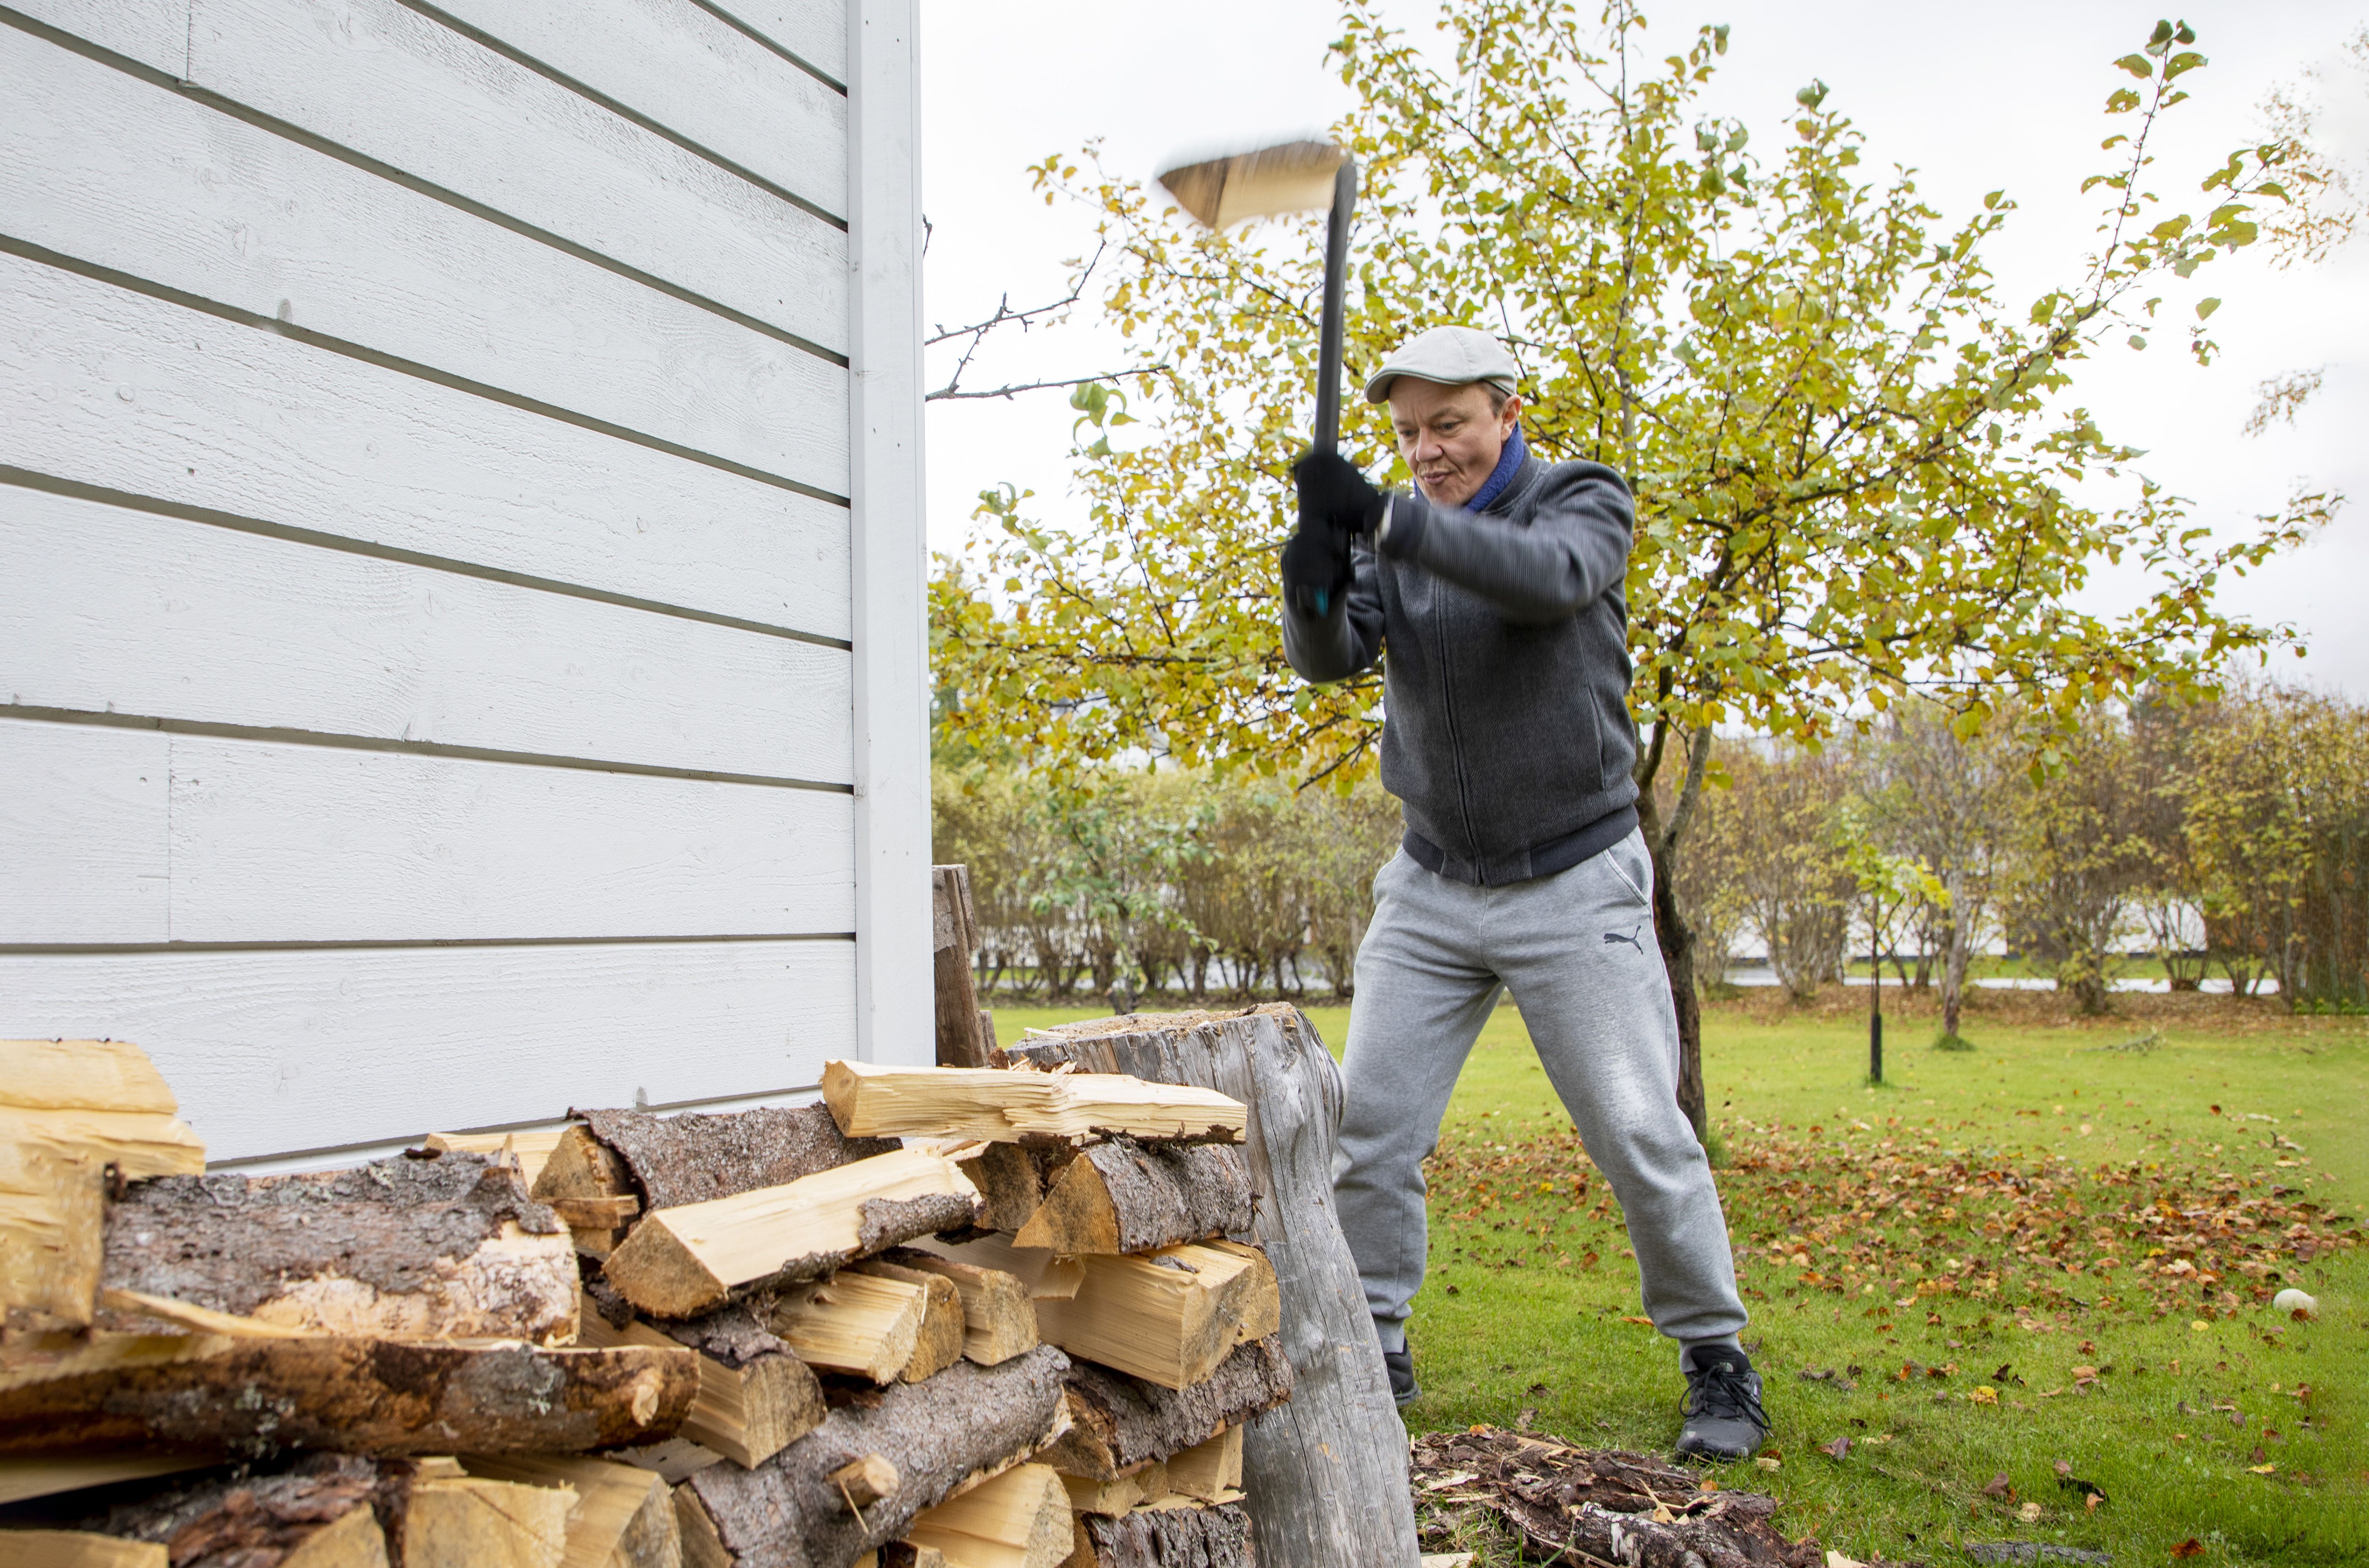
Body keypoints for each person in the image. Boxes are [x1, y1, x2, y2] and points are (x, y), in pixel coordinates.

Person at [1281, 324, 1768, 1461]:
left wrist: (1385, 518)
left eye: (1448, 424)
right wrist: (1313, 580)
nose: (1427, 450)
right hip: (1433, 883)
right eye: (1408, 432)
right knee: (1369, 1128)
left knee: (1639, 1128)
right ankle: (1374, 1347)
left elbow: (1549, 583)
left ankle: (1716, 1353)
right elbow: (1331, 657)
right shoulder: (1397, 531)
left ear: (1508, 415)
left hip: (1575, 875)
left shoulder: (1582, 500)